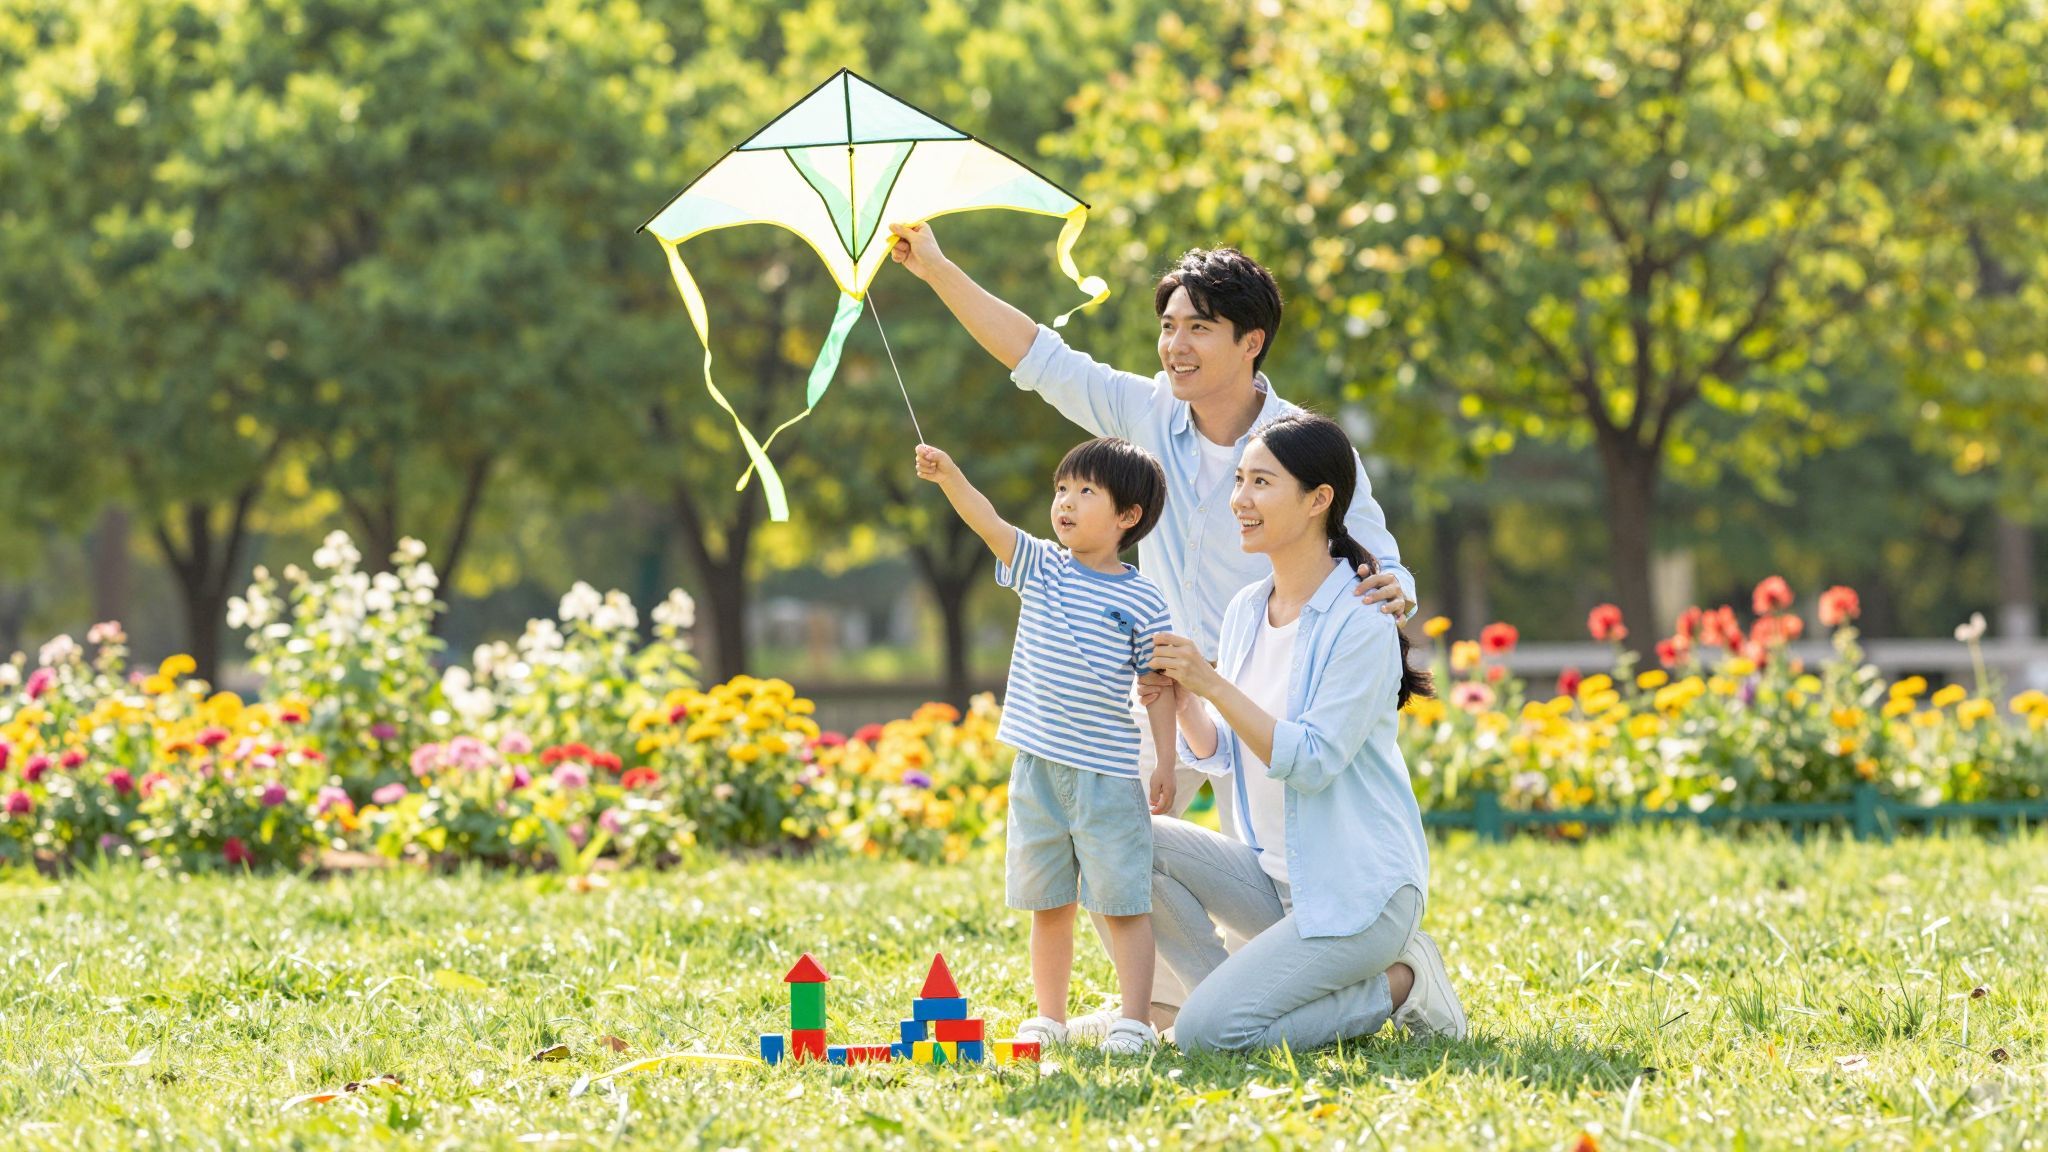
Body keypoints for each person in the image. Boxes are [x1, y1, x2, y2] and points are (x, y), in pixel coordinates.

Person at [890, 224, 1421, 1032]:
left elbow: (1376, 558)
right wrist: (934, 267)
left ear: (1251, 342)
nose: (1175, 346)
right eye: (1168, 326)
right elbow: (1037, 356)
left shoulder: (1304, 449)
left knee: (1291, 850)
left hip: (1262, 685)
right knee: (1110, 837)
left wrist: (1393, 593)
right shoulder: (1146, 410)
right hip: (1163, 684)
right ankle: (1173, 1004)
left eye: (1198, 327)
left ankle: (1311, 986)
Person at [1145, 412, 1466, 1051]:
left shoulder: (1361, 619)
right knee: (1131, 836)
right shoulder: (1246, 610)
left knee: (1210, 1038)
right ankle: (1215, 1010)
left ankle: (1400, 984)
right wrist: (1186, 704)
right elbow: (1230, 753)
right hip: (1271, 880)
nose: (1239, 500)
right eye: (1239, 480)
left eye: (1261, 483)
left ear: (1320, 500)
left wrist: (1212, 684)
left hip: (1354, 898)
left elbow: (1312, 761)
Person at [914, 436, 1179, 1054]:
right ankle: (1049, 1018)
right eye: (1062, 488)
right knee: (1049, 904)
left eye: (1086, 491)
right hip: (1037, 771)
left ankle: (1135, 1020)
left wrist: (1164, 761)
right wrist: (951, 473)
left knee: (1122, 904)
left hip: (1107, 777)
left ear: (1127, 517)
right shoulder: (1040, 565)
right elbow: (988, 522)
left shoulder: (1141, 598)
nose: (1065, 502)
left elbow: (1158, 688)